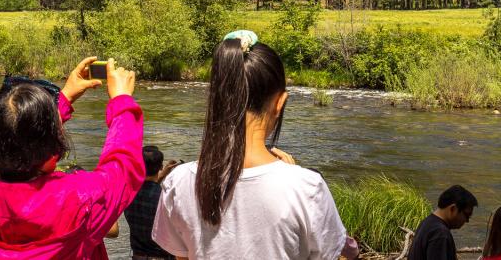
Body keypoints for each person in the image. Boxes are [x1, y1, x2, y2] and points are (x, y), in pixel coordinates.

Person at [151, 30, 357, 260]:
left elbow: (184, 256)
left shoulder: (178, 182)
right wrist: (291, 174)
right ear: (280, 102)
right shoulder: (306, 188)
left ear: (217, 99)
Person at [0, 56, 144, 259]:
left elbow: (12, 144)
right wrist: (122, 101)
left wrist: (65, 97)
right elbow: (123, 167)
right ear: (53, 150)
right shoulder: (79, 201)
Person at [124, 145, 180, 260]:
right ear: (160, 166)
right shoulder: (165, 197)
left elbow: (146, 189)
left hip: (137, 257)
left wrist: (162, 175)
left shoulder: (127, 194)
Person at [407, 185, 479, 260]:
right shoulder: (440, 234)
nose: (467, 221)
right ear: (453, 209)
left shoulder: (427, 222)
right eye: (467, 215)